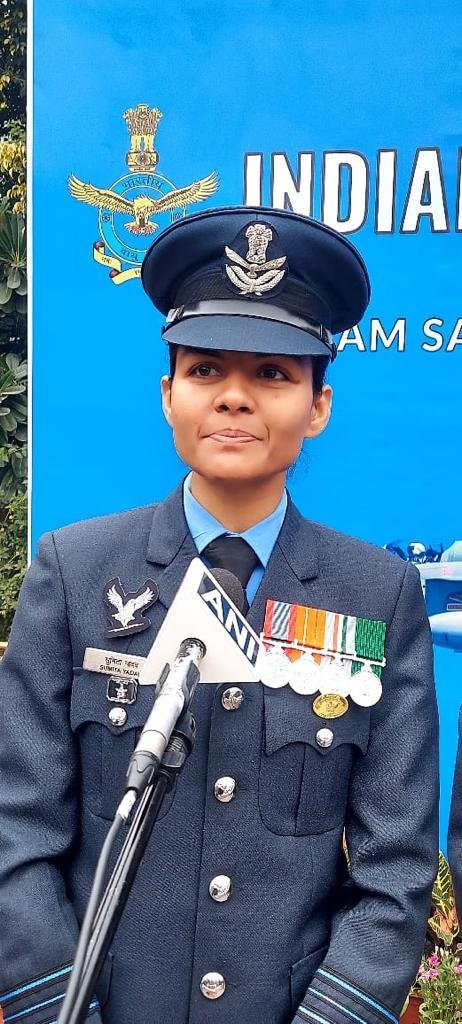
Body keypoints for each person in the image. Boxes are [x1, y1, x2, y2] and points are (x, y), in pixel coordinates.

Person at [0, 206, 439, 1024]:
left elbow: (396, 869)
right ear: (168, 395)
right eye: (205, 369)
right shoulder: (75, 573)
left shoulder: (375, 596)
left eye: (272, 373)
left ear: (318, 405)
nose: (234, 397)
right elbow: (15, 833)